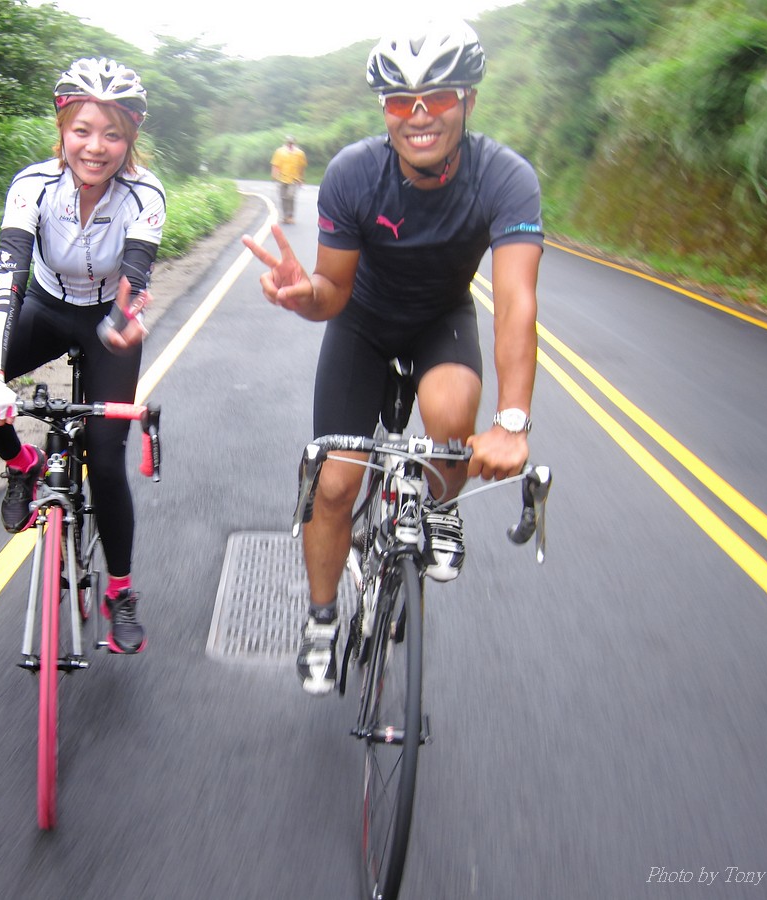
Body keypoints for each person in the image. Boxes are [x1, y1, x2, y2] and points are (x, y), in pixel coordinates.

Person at [242, 19, 543, 695]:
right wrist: (302, 297)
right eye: (401, 100)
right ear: (385, 109)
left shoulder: (505, 177)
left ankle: (440, 506)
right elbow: (332, 293)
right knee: (334, 484)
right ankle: (322, 620)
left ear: (468, 100)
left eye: (438, 97)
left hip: (442, 322)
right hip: (363, 325)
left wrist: (513, 421)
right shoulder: (354, 173)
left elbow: (516, 303)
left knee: (452, 418)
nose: (419, 115)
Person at [0, 57, 166, 655]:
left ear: (130, 138)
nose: (96, 147)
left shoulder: (145, 194)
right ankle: (23, 465)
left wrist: (123, 323)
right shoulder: (32, 187)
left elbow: (137, 276)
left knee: (107, 458)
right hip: (42, 307)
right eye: (82, 130)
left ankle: (120, 590)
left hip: (108, 324)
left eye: (112, 134)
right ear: (63, 129)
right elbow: (8, 284)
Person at [270, 135, 307, 224]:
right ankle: (285, 216)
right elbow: (275, 164)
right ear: (286, 142)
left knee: (290, 196)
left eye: (292, 142)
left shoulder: (299, 153)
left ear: (294, 143)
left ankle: (290, 216)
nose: (290, 144)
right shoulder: (279, 152)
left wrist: (301, 178)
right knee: (283, 198)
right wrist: (274, 175)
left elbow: (301, 167)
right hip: (281, 178)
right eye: (289, 142)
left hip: (294, 179)